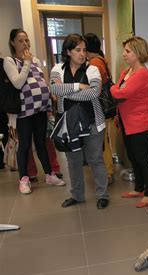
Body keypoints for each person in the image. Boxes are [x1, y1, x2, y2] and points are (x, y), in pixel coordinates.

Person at [50, 33, 109, 209]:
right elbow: (53, 88)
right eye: (77, 50)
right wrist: (77, 86)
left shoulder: (92, 69)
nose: (82, 54)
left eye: (84, 50)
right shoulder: (57, 69)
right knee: (73, 160)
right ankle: (77, 195)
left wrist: (65, 91)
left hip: (92, 121)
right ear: (68, 51)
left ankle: (102, 195)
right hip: (68, 124)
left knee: (95, 159)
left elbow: (93, 93)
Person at [4, 29, 65, 193]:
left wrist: (50, 95)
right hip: (24, 112)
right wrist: (26, 62)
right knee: (24, 145)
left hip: (41, 109)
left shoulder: (36, 60)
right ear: (12, 42)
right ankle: (23, 179)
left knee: (42, 143)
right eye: (20, 40)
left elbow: (42, 81)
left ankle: (49, 174)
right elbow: (18, 83)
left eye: (26, 40)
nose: (25, 43)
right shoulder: (10, 61)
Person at [110, 36, 148, 208]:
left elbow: (120, 94)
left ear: (137, 52)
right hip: (127, 123)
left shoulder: (142, 74)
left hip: (141, 125)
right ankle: (139, 188)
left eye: (127, 51)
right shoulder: (127, 71)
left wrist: (112, 87)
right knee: (133, 158)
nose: (124, 54)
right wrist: (117, 89)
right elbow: (120, 91)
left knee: (142, 159)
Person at [84, 33, 115, 186]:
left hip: (100, 109)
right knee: (104, 141)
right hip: (105, 108)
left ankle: (107, 173)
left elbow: (93, 87)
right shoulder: (101, 60)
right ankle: (108, 171)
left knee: (101, 142)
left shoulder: (95, 63)